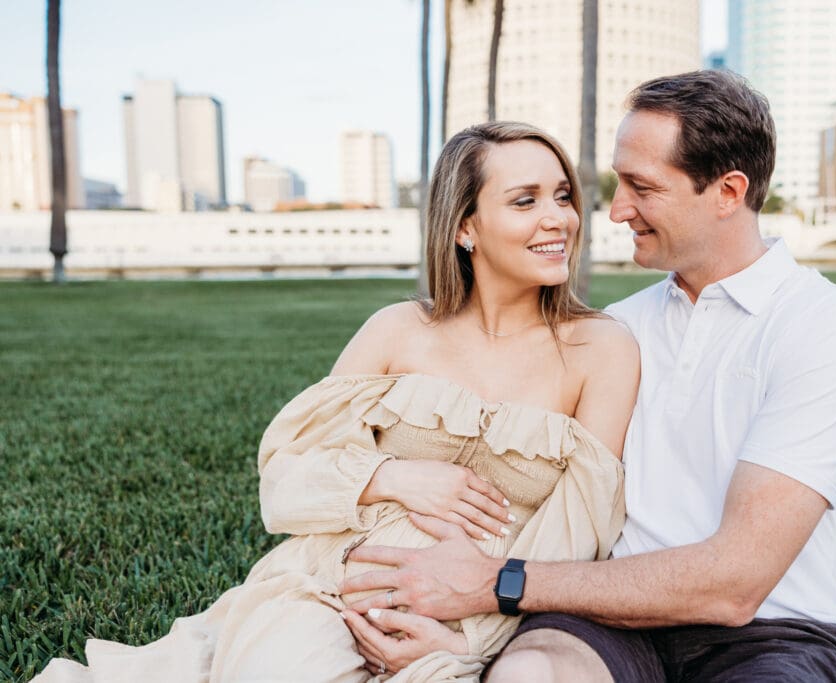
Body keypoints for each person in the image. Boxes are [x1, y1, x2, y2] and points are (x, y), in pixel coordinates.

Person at [34, 121, 640, 683]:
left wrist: (472, 643)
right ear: (465, 226)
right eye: (525, 200)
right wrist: (392, 476)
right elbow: (288, 475)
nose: (559, 218)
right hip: (331, 588)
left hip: (474, 625)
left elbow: (578, 532)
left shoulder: (598, 349)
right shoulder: (397, 330)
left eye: (563, 196)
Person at [338, 70, 836, 683]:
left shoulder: (828, 326)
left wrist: (494, 585)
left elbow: (735, 586)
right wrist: (457, 639)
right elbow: (512, 496)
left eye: (642, 187)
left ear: (729, 192)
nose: (617, 209)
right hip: (597, 621)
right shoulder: (612, 332)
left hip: (773, 634)